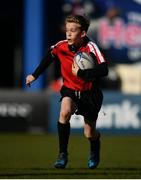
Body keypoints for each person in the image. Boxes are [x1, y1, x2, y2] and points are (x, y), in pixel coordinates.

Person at [26, 14, 108, 169]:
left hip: (90, 94)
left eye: (73, 30)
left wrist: (82, 74)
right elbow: (49, 57)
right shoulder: (61, 46)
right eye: (67, 30)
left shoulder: (91, 47)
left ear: (83, 33)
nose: (68, 33)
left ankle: (95, 148)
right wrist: (34, 75)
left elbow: (104, 69)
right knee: (64, 112)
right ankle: (62, 154)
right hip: (69, 90)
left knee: (89, 133)